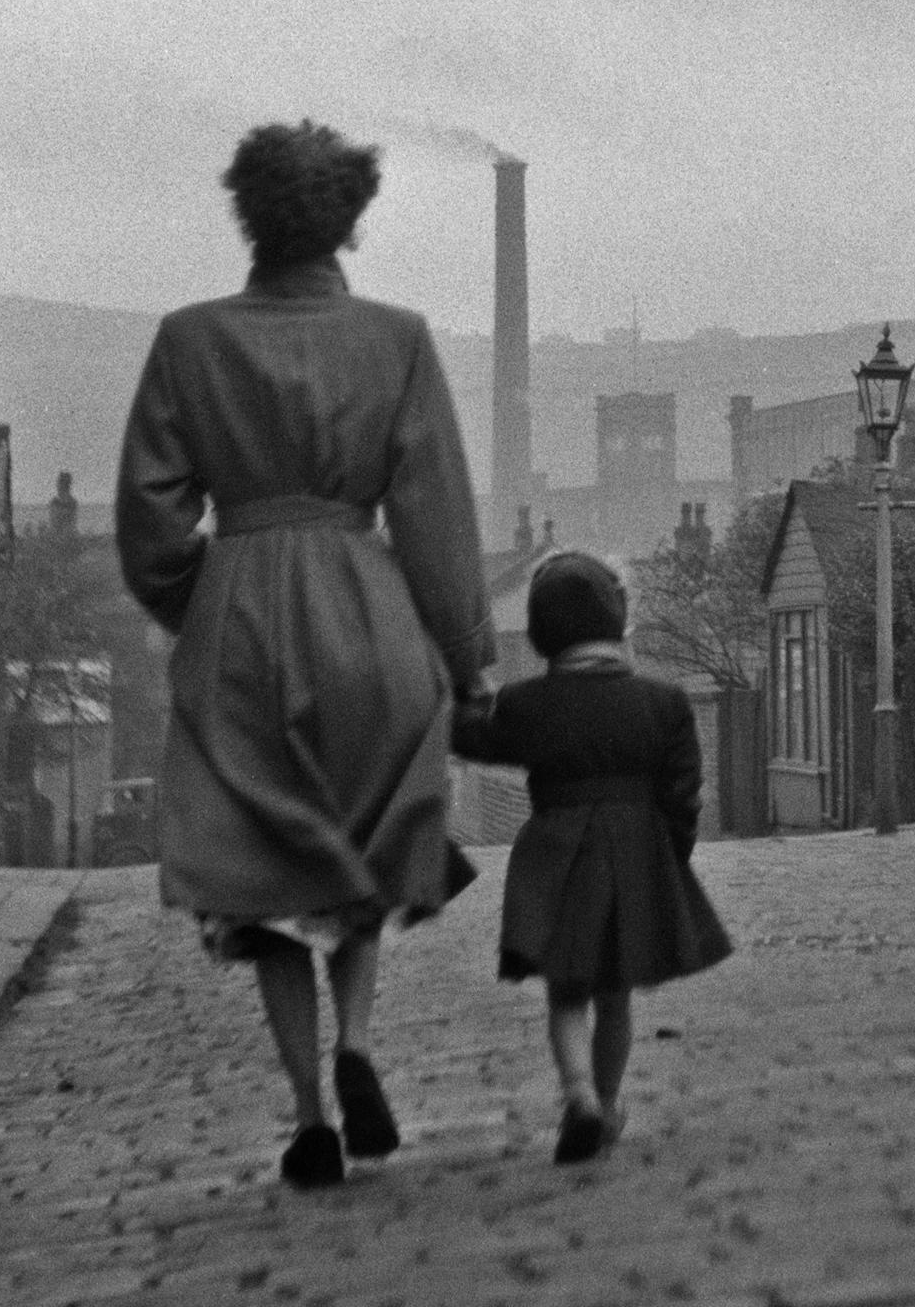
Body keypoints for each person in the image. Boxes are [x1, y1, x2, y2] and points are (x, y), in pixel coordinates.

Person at [117, 121, 494, 1191]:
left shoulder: (189, 340)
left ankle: (308, 1114)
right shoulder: (398, 340)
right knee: (359, 850)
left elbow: (149, 523)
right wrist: (466, 657)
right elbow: (435, 519)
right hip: (368, 625)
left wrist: (202, 600)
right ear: (350, 222)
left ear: (249, 217)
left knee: (261, 879)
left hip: (239, 621)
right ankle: (358, 1042)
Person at [453, 550, 734, 1161]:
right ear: (618, 622)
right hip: (635, 857)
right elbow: (683, 794)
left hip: (557, 860)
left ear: (540, 632)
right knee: (615, 997)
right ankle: (606, 1104)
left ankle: (576, 1093)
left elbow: (472, 740)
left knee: (566, 993)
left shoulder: (526, 704)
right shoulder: (664, 703)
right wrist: (668, 858)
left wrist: (472, 695)